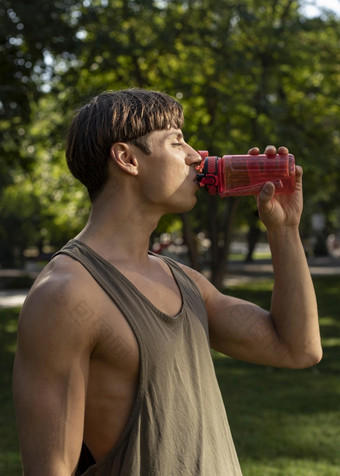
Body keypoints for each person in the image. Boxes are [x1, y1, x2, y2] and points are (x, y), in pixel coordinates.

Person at [13, 88, 322, 476]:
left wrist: (285, 230)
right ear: (127, 158)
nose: (196, 156)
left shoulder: (182, 279)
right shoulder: (64, 295)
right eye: (177, 142)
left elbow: (298, 349)